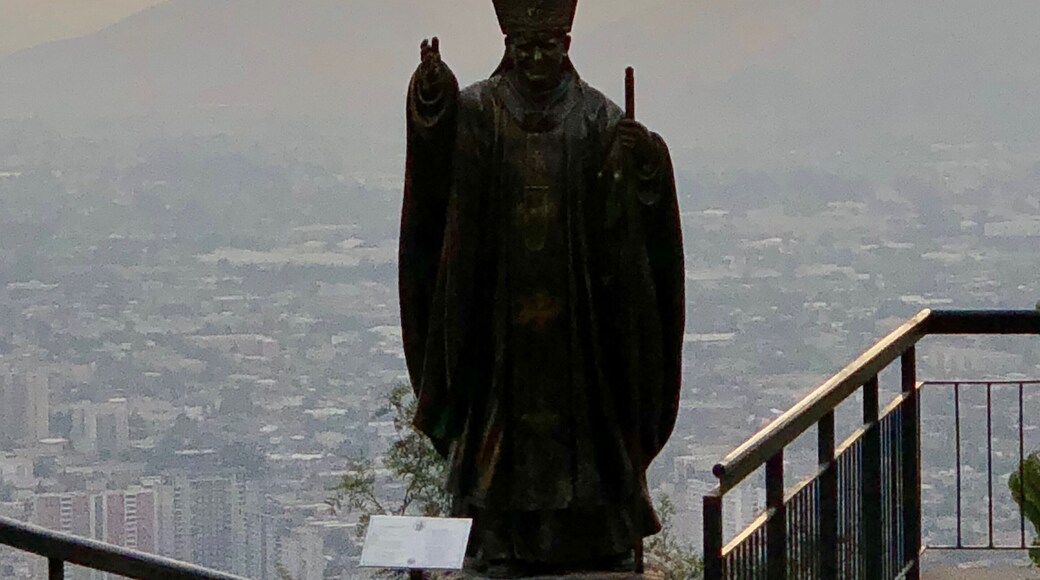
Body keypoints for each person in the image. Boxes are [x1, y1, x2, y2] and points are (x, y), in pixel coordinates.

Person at [398, 0, 685, 575]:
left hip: (578, 319)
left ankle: (591, 530)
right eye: (524, 47)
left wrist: (648, 164)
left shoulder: (597, 119)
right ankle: (501, 536)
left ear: (567, 45)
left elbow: (638, 235)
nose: (534, 59)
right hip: (497, 317)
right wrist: (430, 102)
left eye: (546, 47)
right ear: (508, 45)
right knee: (498, 443)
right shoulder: (478, 111)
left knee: (586, 439)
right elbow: (434, 186)